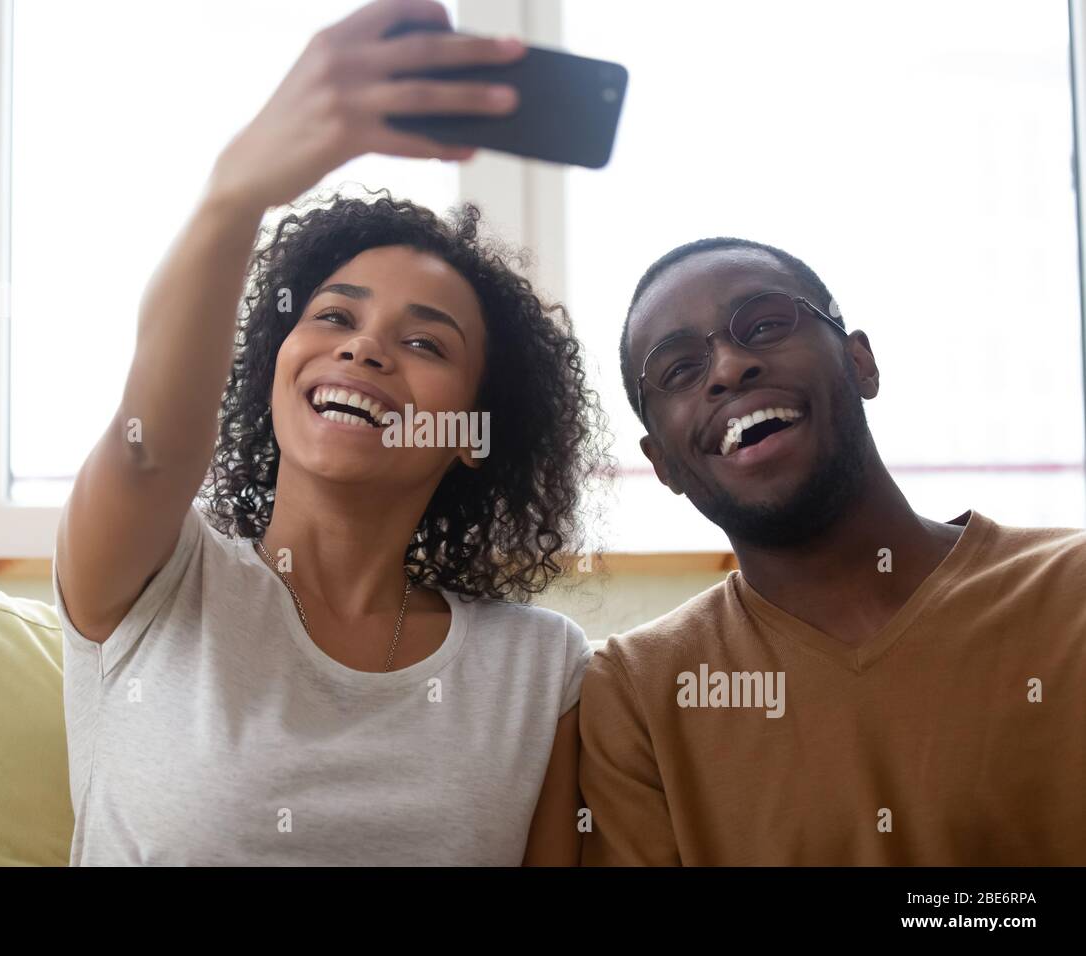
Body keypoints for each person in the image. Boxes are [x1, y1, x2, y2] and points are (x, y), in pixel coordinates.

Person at [53, 0, 607, 865]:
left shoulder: (537, 668)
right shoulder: (158, 577)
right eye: (334, 316)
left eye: (425, 341)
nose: (365, 346)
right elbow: (149, 448)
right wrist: (237, 193)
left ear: (474, 429)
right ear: (275, 366)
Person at [579, 236, 1086, 865]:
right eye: (680, 369)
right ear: (663, 465)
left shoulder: (1073, 591)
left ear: (861, 362)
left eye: (765, 324)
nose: (730, 368)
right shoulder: (637, 693)